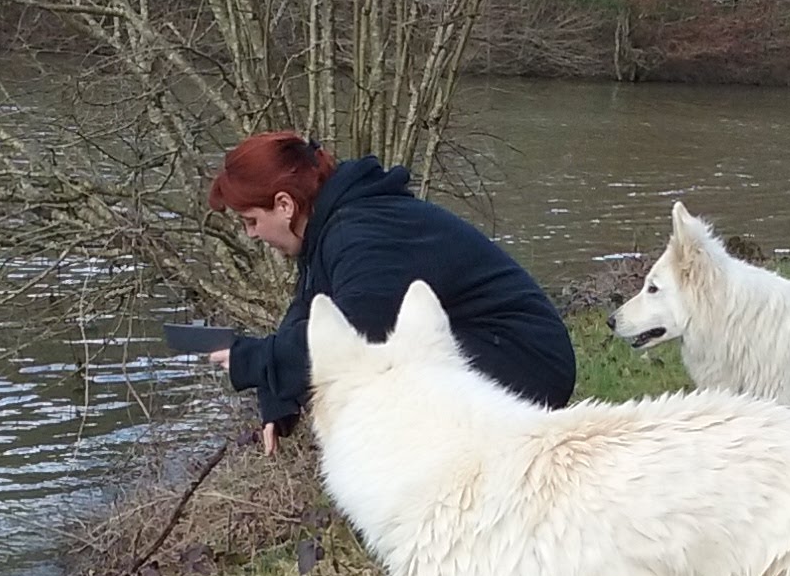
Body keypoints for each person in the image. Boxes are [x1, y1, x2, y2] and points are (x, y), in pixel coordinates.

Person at [207, 131, 575, 453]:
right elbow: (309, 310)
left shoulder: (362, 235)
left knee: (375, 379)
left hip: (524, 360)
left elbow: (356, 341)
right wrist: (277, 396)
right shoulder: (333, 225)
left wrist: (253, 359)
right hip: (488, 347)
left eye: (251, 221)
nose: (251, 235)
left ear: (285, 205)